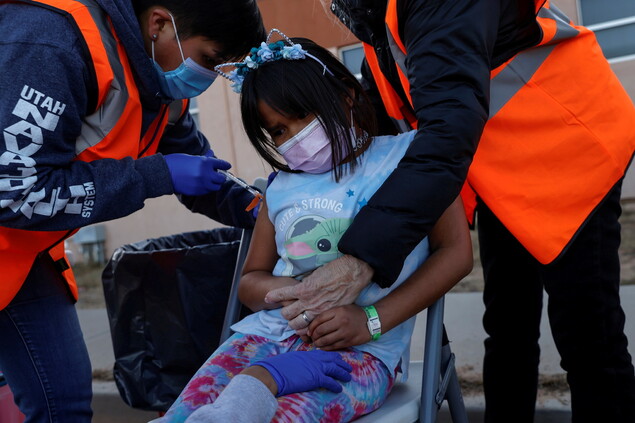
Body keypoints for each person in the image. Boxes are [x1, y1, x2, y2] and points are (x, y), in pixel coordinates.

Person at [264, 1, 635, 422]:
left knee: (589, 335)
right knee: (509, 325)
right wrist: (309, 189)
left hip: (570, 145)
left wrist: (364, 257)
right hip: (505, 169)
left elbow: (446, 129)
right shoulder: (380, 18)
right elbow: (392, 113)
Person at [159, 33, 473, 423]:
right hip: (260, 339)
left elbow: (457, 254)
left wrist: (370, 321)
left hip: (359, 352)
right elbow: (251, 281)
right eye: (277, 131)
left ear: (346, 95)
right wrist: (298, 293)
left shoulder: (410, 160)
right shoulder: (279, 188)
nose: (294, 138)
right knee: (181, 417)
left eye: (302, 115)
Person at [0, 0, 265, 421]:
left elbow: (199, 174)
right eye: (209, 61)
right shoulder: (51, 43)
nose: (209, 79)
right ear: (160, 23)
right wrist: (154, 175)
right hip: (15, 225)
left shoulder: (158, 85)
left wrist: (266, 211)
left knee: (63, 403)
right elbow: (15, 192)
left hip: (23, 251)